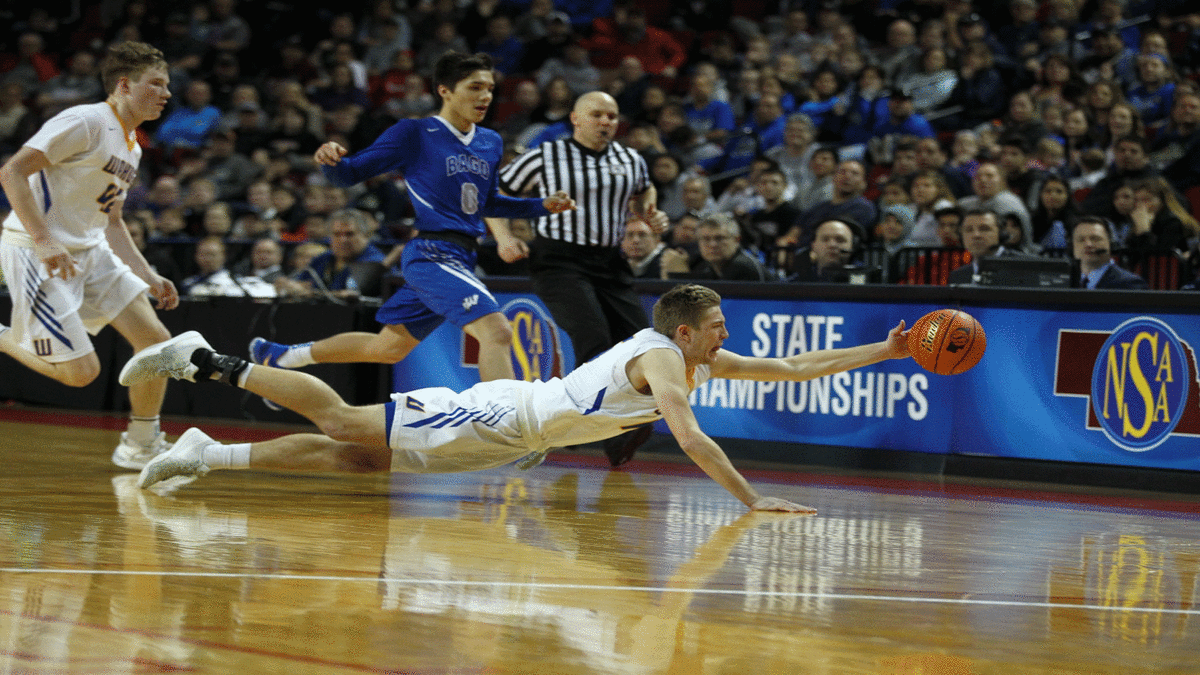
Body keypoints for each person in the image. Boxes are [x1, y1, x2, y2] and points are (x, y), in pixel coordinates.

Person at [121, 283, 913, 513]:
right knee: (344, 420)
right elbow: (695, 440)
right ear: (685, 328)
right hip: (508, 415)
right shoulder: (665, 360)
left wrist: (888, 346)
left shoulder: (694, 356)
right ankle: (204, 358)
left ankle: (204, 454)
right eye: (717, 326)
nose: (725, 335)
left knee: (359, 457)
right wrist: (751, 499)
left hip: (516, 436)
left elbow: (798, 365)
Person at [246, 52, 575, 385]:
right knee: (497, 331)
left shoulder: (490, 141)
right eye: (475, 87)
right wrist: (330, 160)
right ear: (445, 91)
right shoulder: (414, 133)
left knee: (387, 347)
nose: (485, 96)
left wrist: (540, 206)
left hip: (461, 255)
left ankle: (283, 355)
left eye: (489, 88)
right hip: (432, 253)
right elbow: (349, 175)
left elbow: (487, 203)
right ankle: (502, 424)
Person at [0, 41, 181, 470]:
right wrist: (45, 240)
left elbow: (113, 221)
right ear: (124, 85)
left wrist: (147, 274)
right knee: (81, 374)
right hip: (36, 250)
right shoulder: (85, 120)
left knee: (156, 343)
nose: (166, 93)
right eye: (156, 83)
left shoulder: (132, 145)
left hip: (90, 248)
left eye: (167, 85)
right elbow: (12, 172)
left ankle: (140, 443)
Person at [492, 90, 668, 464]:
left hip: (609, 261)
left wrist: (650, 210)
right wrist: (505, 236)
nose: (605, 121)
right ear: (575, 118)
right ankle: (563, 430)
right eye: (597, 114)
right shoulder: (546, 155)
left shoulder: (630, 158)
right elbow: (497, 192)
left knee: (644, 344)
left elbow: (644, 188)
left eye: (612, 115)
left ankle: (600, 431)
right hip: (559, 260)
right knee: (594, 340)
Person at [661, 213, 770, 281]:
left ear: (737, 240)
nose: (712, 244)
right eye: (706, 239)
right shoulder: (707, 265)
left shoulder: (742, 266)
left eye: (720, 238)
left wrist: (680, 273)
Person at [948, 207, 1029, 284]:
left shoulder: (1025, 267)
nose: (976, 235)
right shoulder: (957, 276)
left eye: (984, 229)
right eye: (969, 230)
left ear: (1001, 234)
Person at [1072, 217, 1148, 289]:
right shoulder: (1065, 281)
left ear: (1111, 244)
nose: (1088, 244)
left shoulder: (1130, 284)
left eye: (1095, 239)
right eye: (1081, 240)